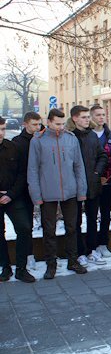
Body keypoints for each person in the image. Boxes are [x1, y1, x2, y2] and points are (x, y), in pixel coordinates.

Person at [28, 108, 88, 278]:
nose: (60, 127)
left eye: (62, 124)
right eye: (57, 124)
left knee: (72, 227)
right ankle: (51, 263)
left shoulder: (71, 139)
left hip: (70, 191)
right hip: (47, 192)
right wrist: (36, 195)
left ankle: (73, 260)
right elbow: (32, 170)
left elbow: (78, 166)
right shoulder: (37, 141)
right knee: (49, 230)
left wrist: (81, 191)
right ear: (48, 122)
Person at [69, 105, 108, 267]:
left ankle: (92, 250)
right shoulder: (69, 137)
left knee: (92, 219)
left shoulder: (92, 135)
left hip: (92, 184)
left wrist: (97, 173)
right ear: (75, 119)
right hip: (75, 186)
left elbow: (102, 155)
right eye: (84, 117)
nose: (87, 120)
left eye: (87, 117)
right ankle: (79, 253)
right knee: (75, 221)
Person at [0, 117, 36, 282]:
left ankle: (21, 269)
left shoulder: (12, 147)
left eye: (2, 129)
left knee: (24, 227)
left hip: (13, 197)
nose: (1, 133)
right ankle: (5, 268)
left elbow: (23, 173)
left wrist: (10, 195)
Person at [11, 112, 43, 271]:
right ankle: (29, 255)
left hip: (43, 186)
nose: (37, 127)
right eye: (34, 124)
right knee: (27, 224)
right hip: (24, 190)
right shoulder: (17, 143)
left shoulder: (42, 138)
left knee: (48, 222)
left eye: (39, 124)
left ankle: (49, 254)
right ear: (25, 124)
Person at [89, 105, 111, 258]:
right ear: (91, 117)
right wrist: (94, 178)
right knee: (91, 215)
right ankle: (92, 246)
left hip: (107, 182)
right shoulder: (87, 135)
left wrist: (108, 177)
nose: (101, 117)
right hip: (91, 183)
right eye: (98, 115)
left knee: (106, 214)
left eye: (103, 114)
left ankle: (103, 243)